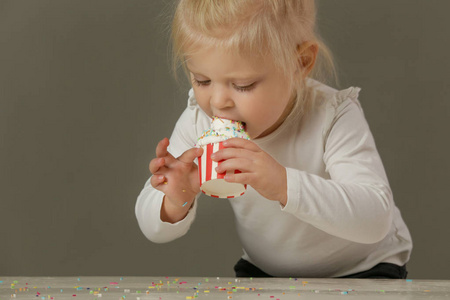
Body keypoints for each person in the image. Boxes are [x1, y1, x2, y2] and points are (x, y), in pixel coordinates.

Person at [135, 0, 412, 278]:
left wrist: (282, 183)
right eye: (202, 80)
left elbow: (375, 217)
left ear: (300, 63)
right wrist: (177, 196)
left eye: (243, 85)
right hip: (265, 271)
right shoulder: (199, 121)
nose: (218, 102)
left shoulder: (331, 115)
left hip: (362, 269)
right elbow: (151, 227)